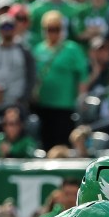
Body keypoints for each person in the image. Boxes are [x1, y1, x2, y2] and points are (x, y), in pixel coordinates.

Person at [31, 10, 89, 149]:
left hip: (64, 106)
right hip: (43, 104)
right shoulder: (38, 49)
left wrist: (81, 98)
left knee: (62, 144)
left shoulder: (72, 48)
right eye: (49, 29)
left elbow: (82, 75)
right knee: (45, 143)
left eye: (56, 29)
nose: (53, 33)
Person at [0, 14, 35, 122]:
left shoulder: (24, 52)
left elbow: (31, 78)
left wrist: (23, 98)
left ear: (15, 29)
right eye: (3, 27)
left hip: (16, 106)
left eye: (10, 27)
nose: (7, 30)